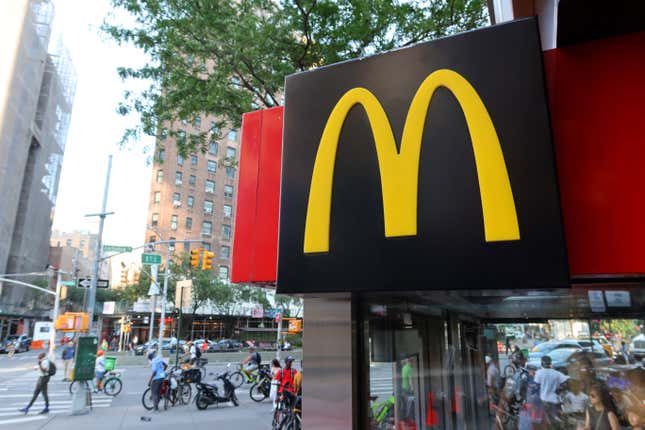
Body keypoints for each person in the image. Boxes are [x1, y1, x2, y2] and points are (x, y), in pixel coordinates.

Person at [535, 355, 569, 424]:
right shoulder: (556, 373)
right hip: (555, 400)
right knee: (557, 420)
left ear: (541, 363)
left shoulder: (539, 373)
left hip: (543, 400)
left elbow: (536, 386)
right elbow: (566, 379)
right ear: (550, 363)